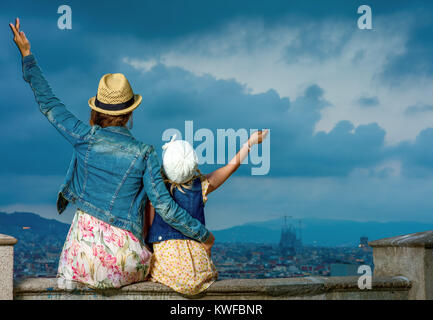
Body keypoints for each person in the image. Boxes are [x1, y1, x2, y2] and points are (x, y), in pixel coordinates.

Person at [9, 18, 214, 289]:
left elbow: (49, 104)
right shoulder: (145, 154)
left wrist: (27, 56)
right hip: (124, 264)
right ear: (130, 112)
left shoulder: (84, 137)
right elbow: (165, 207)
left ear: (97, 109)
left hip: (81, 261)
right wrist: (203, 234)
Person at [146, 130, 269, 295]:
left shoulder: (155, 194)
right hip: (198, 275)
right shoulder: (201, 186)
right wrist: (250, 143)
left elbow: (148, 230)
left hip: (168, 272)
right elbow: (230, 167)